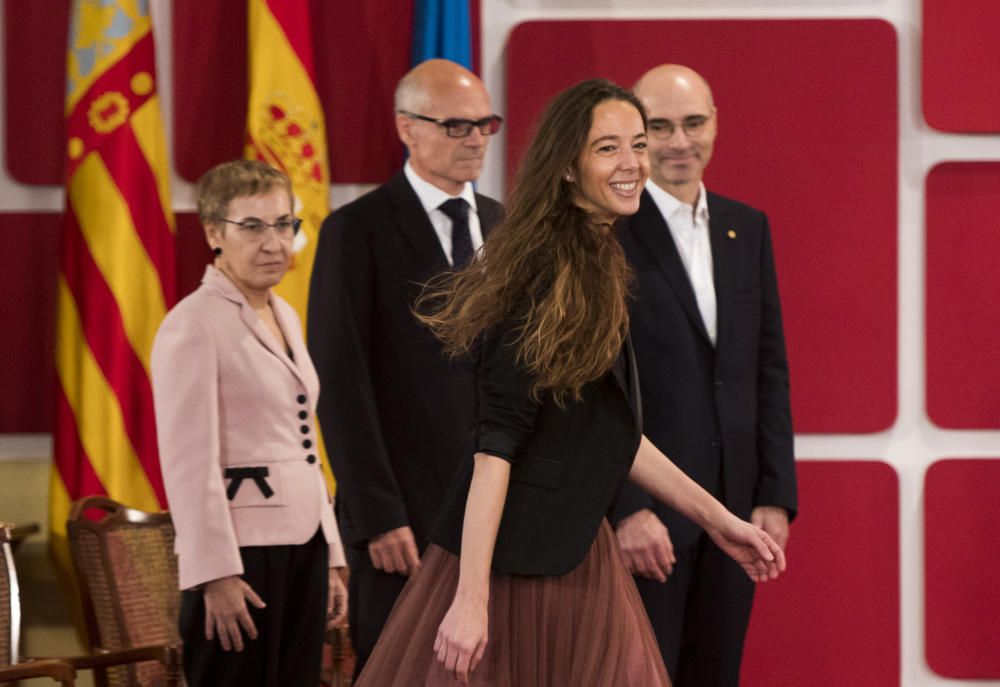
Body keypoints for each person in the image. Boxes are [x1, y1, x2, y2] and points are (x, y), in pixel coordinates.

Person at [353, 78, 786, 687]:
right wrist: (472, 599)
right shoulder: (549, 268)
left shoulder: (596, 258)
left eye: (637, 143)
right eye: (608, 148)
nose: (634, 162)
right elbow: (495, 444)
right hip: (519, 566)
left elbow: (616, 434)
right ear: (566, 166)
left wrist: (722, 522)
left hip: (574, 552)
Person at [307, 58, 504, 674]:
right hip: (404, 521)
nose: (475, 139)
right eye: (456, 126)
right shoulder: (356, 230)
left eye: (485, 124)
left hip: (499, 513)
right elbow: (339, 382)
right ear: (407, 128)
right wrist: (376, 514)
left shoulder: (509, 227)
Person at [612, 63, 798, 686]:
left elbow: (767, 367)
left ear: (715, 123)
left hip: (736, 509)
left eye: (693, 122)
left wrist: (773, 492)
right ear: (637, 136)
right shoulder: (606, 234)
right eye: (658, 127)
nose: (679, 142)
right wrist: (628, 508)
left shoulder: (748, 228)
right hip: (651, 519)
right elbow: (593, 390)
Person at [151, 160, 348, 687]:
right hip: (239, 554)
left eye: (285, 224)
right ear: (214, 233)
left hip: (301, 541)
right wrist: (214, 574)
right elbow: (189, 463)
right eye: (253, 226)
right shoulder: (191, 325)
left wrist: (329, 551)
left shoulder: (284, 312)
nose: (274, 243)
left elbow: (304, 445)